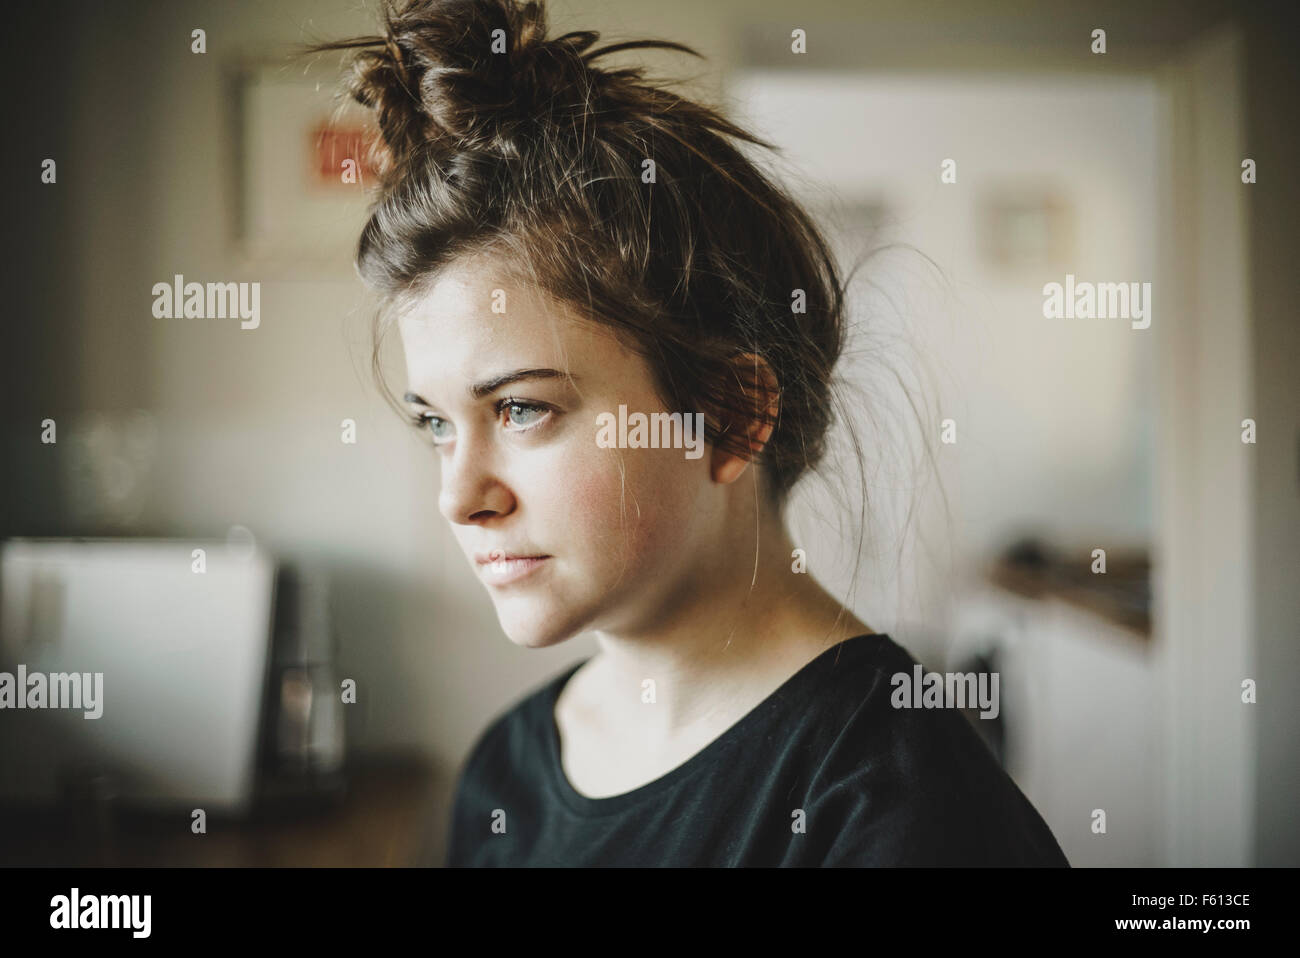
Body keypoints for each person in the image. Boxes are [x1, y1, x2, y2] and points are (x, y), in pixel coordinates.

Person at [306, 0, 1068, 867]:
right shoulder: (501, 780)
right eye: (438, 424)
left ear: (734, 417)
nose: (458, 497)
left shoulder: (905, 809)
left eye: (522, 409)